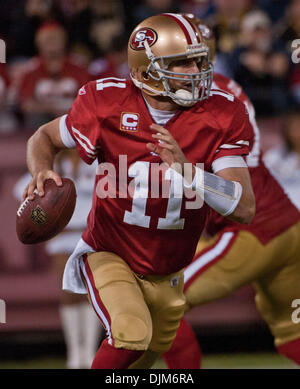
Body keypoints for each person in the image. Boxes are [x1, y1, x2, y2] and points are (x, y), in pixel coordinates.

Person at [22, 13, 256, 369]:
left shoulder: (221, 113)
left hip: (169, 270)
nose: (197, 70)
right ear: (146, 71)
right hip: (109, 253)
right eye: (183, 63)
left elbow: (244, 206)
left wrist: (188, 171)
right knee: (131, 330)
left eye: (199, 60)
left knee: (140, 359)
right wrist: (41, 170)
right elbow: (44, 136)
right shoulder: (107, 104)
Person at [162, 19, 300, 369]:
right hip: (285, 224)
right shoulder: (226, 90)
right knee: (293, 333)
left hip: (252, 229)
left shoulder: (201, 100)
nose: (192, 68)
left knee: (158, 301)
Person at [14, 150, 103, 369]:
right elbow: (22, 191)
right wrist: (42, 222)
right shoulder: (50, 168)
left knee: (91, 293)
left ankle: (89, 353)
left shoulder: (95, 165)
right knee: (69, 294)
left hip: (89, 236)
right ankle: (74, 353)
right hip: (62, 237)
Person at [18, 22, 90, 128]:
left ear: (64, 41)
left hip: (73, 117)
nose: (51, 43)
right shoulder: (31, 69)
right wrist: (52, 108)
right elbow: (25, 104)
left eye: (55, 39)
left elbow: (89, 99)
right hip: (41, 121)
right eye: (47, 40)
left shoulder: (78, 66)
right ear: (38, 43)